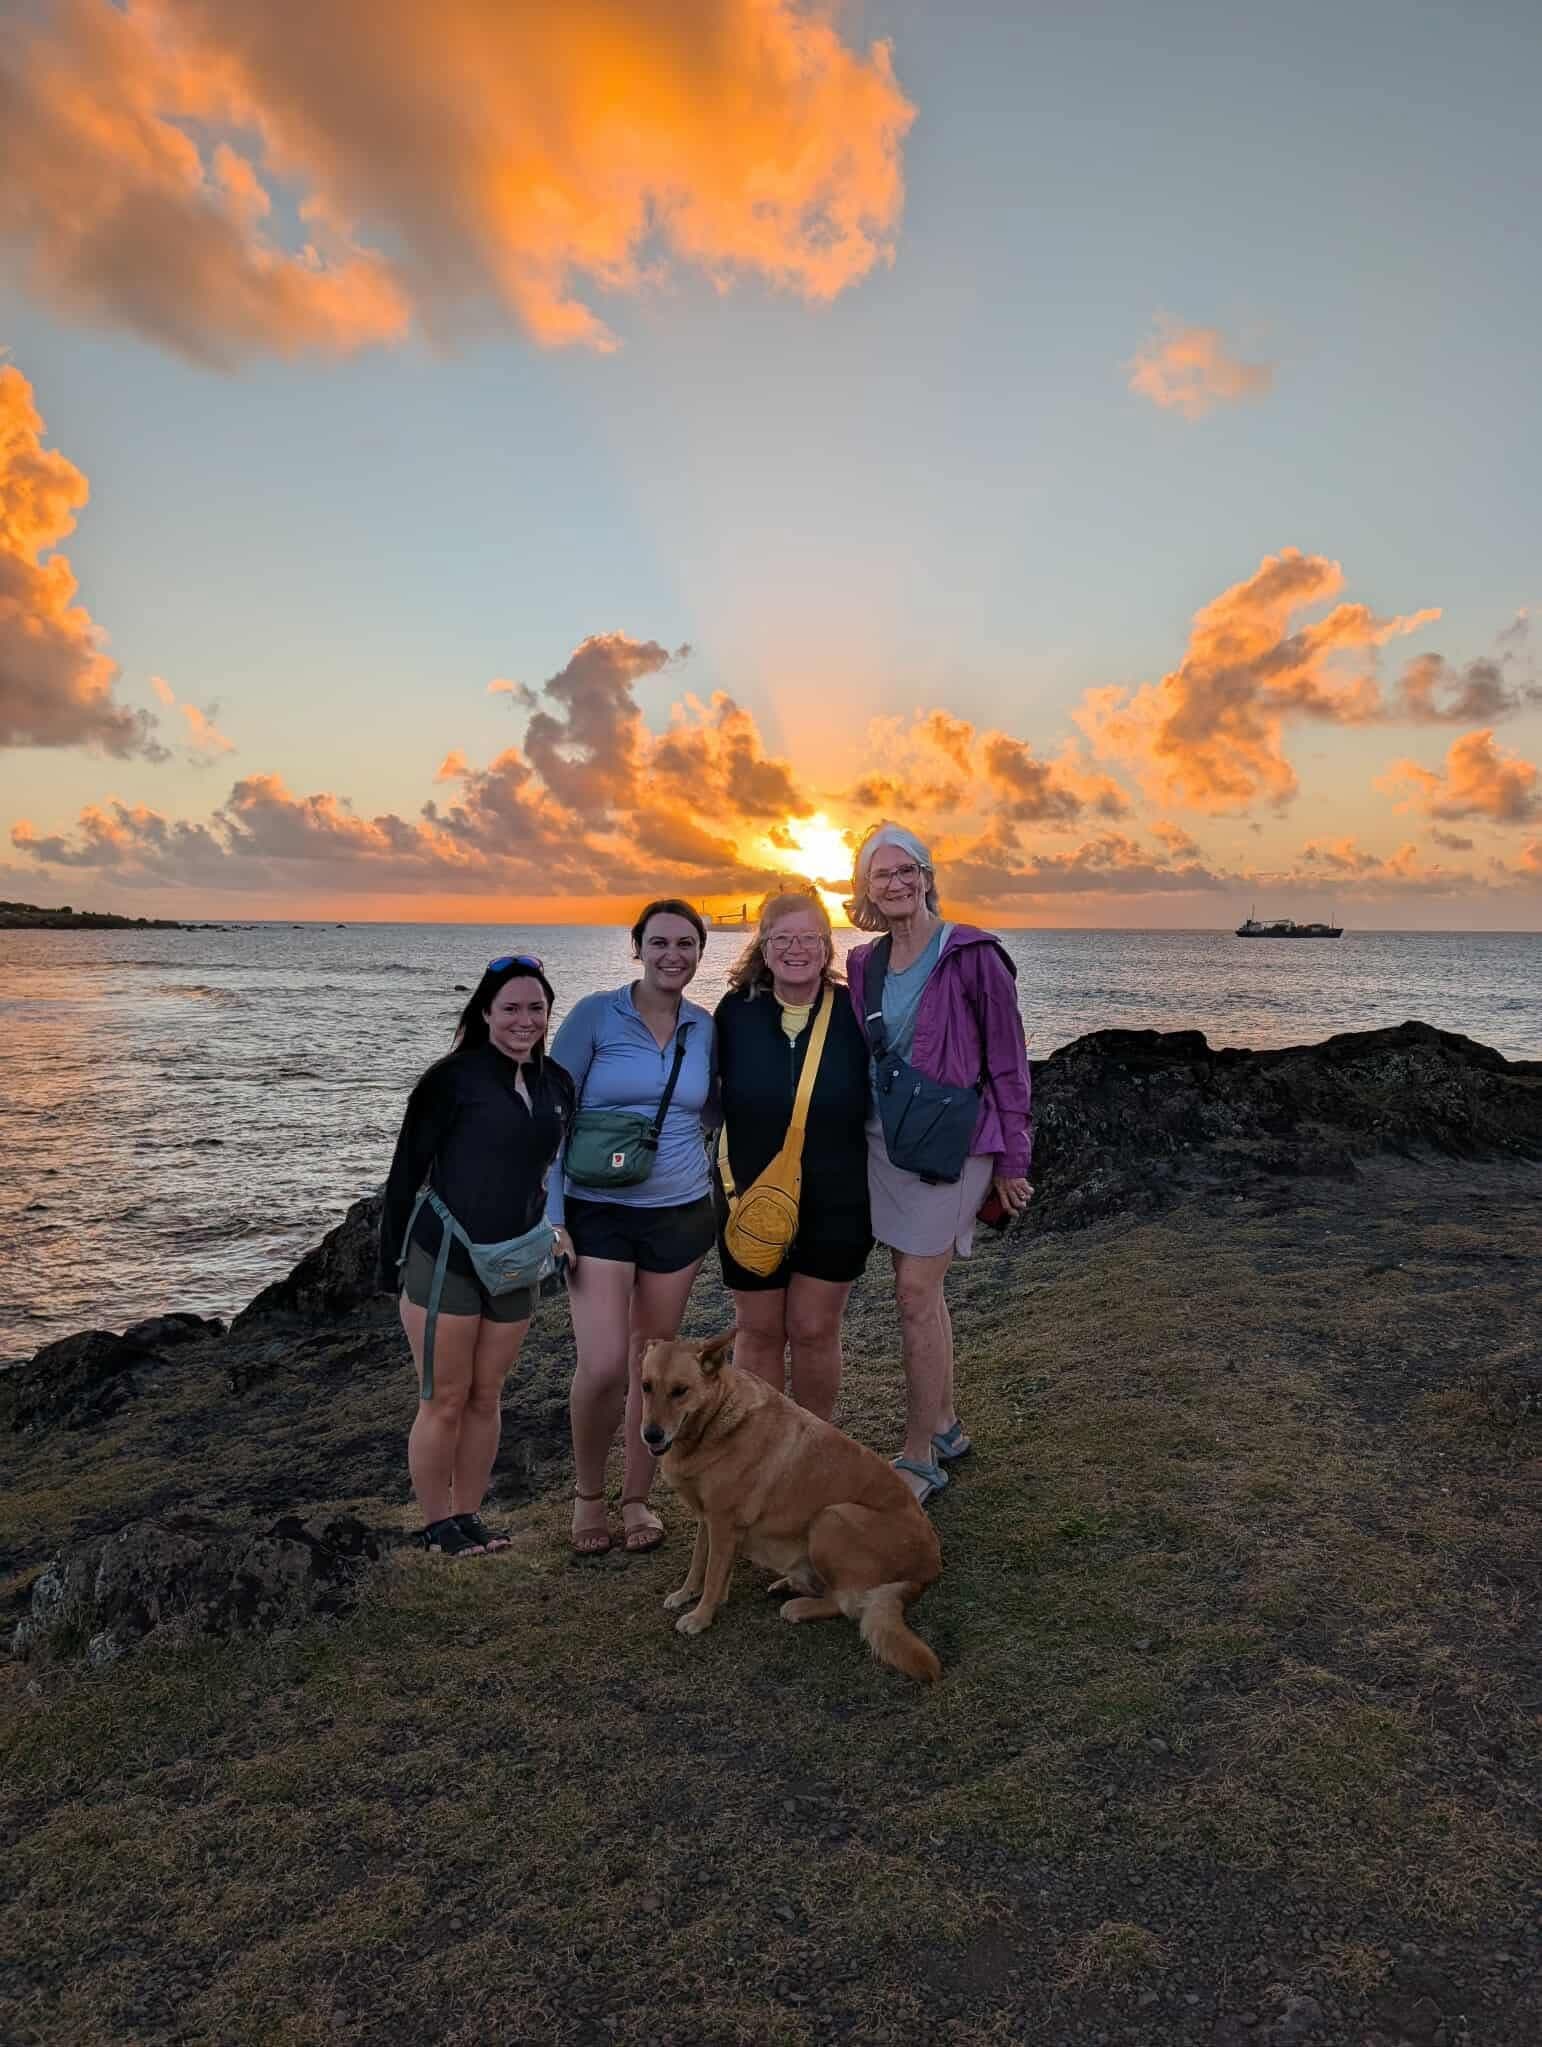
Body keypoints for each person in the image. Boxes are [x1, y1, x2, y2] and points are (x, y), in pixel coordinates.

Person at [844, 823, 1032, 1505]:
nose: (896, 883)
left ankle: (918, 1456)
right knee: (917, 1287)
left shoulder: (975, 953)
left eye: (907, 870)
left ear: (927, 875)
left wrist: (1013, 1159)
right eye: (881, 873)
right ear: (865, 887)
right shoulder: (862, 962)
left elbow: (1010, 1062)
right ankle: (945, 1422)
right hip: (885, 1139)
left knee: (914, 1293)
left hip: (958, 1141)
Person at [379, 953, 574, 1556]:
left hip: (516, 1260)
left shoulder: (557, 1083)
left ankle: (469, 1515)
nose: (525, 1019)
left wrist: (562, 1229)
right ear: (485, 1012)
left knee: (488, 1395)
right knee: (444, 1397)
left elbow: (559, 1168)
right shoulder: (451, 1079)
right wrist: (389, 1267)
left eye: (536, 1008)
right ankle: (437, 1525)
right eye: (511, 1008)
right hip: (445, 1258)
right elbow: (405, 1171)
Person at [549, 900, 716, 1556]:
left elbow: (720, 1107)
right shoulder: (596, 1014)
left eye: (686, 943)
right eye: (660, 942)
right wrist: (553, 1217)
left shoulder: (704, 1026)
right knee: (602, 1365)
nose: (673, 954)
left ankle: (639, 1498)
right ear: (637, 948)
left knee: (655, 1362)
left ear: (700, 953)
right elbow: (550, 1115)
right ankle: (589, 1495)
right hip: (596, 1211)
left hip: (679, 1212)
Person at [713, 885, 872, 1420]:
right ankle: (758, 1453)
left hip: (838, 1202)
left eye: (809, 937)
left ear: (828, 946)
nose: (796, 949)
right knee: (757, 1331)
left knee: (813, 1330)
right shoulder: (734, 1013)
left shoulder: (855, 1012)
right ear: (763, 946)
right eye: (783, 938)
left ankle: (810, 1451)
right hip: (748, 1199)